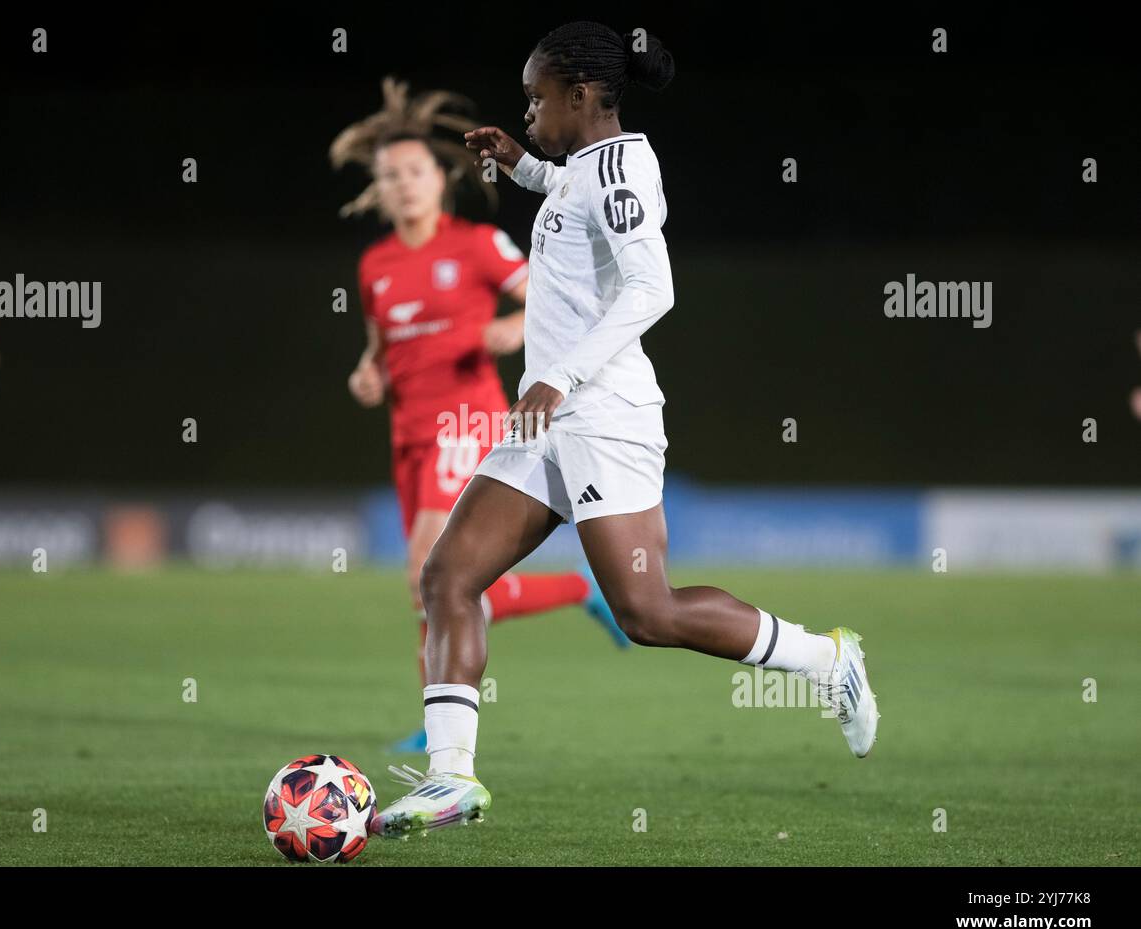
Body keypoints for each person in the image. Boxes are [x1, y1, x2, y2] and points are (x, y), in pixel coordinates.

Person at [373, 23, 879, 838]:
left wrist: (560, 374)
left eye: (536, 99)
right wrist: (523, 163)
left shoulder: (620, 166)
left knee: (647, 614)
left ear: (580, 95)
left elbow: (651, 287)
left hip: (603, 416)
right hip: (547, 420)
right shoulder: (580, 171)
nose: (528, 109)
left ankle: (828, 660)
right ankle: (451, 779)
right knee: (447, 578)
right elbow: (579, 226)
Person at [331, 79, 630, 752]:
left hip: (466, 423)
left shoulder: (475, 246)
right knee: (435, 583)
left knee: (425, 568)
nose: (403, 185)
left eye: (414, 172)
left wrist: (515, 328)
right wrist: (367, 372)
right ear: (379, 189)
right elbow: (380, 349)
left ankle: (443, 735)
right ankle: (573, 593)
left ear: (440, 178)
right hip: (409, 435)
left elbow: (546, 300)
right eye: (390, 177)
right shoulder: (375, 264)